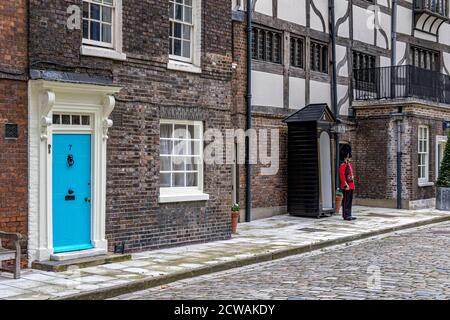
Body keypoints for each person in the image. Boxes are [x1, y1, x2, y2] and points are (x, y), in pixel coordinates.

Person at [339, 151, 356, 221]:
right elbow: (342, 176)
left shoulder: (350, 165)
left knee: (349, 201)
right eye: (349, 158)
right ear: (346, 158)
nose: (350, 159)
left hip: (351, 185)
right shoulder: (343, 165)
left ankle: (349, 214)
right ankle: (345, 215)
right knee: (346, 201)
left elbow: (350, 175)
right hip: (347, 186)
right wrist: (345, 185)